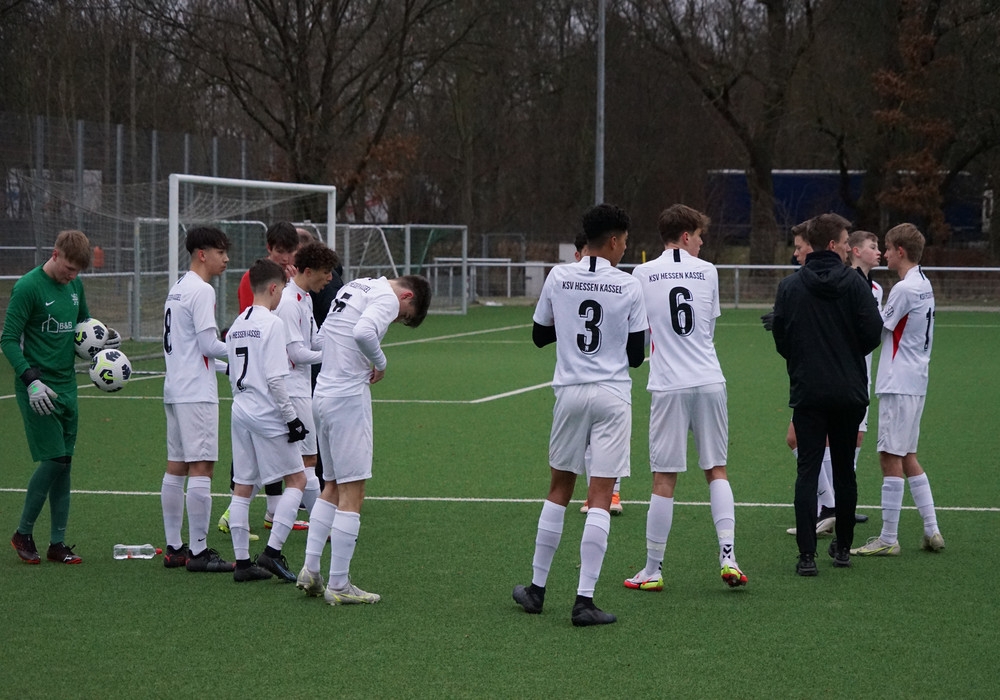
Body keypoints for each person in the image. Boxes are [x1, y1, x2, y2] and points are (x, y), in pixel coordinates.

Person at [511, 203, 647, 627]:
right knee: (601, 496)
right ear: (613, 241)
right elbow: (636, 356)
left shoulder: (558, 276)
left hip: (569, 393)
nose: (625, 249)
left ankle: (536, 590)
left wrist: (571, 328)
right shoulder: (628, 285)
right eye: (625, 242)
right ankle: (584, 601)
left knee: (559, 488)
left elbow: (539, 336)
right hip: (612, 395)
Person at [625, 204, 747, 591]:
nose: (701, 243)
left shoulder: (641, 273)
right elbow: (707, 329)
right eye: (698, 236)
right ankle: (728, 557)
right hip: (709, 379)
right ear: (684, 236)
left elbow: (641, 332)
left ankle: (653, 569)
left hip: (668, 384)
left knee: (664, 478)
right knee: (716, 469)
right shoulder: (708, 271)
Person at [296, 273, 431, 605]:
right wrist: (380, 362)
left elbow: (322, 338)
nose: (397, 320)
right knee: (353, 490)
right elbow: (363, 332)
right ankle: (339, 584)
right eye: (404, 317)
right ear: (407, 296)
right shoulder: (386, 297)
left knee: (331, 485)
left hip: (322, 394)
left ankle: (311, 570)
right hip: (346, 398)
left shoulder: (354, 286)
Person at [771, 213, 883, 575]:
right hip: (848, 391)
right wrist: (848, 353)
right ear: (833, 245)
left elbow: (781, 338)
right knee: (844, 473)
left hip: (809, 390)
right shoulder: (855, 285)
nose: (850, 246)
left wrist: (804, 359)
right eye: (847, 241)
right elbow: (873, 333)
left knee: (807, 471)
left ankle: (807, 556)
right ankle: (843, 549)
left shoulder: (790, 286)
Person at [4, 230, 121, 565]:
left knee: (65, 465)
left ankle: (57, 544)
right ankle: (23, 533)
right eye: (69, 268)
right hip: (39, 389)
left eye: (77, 271)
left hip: (68, 386)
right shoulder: (27, 287)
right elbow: (8, 339)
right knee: (54, 459)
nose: (72, 276)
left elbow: (84, 326)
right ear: (55, 255)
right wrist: (30, 380)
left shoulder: (75, 286)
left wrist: (104, 339)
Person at [852, 223, 945, 556]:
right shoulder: (924, 283)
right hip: (916, 379)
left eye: (888, 248)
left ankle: (888, 538)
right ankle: (932, 529)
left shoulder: (904, 289)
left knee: (890, 455)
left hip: (898, 381)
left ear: (900, 251)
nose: (885, 254)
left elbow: (877, 328)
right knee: (907, 456)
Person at [225, 258, 310, 582]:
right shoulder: (273, 324)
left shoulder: (236, 324)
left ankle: (242, 564)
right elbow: (276, 379)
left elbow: (232, 374)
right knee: (297, 480)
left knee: (243, 486)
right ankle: (272, 553)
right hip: (265, 413)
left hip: (240, 410)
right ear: (274, 288)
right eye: (283, 289)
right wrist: (291, 419)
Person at [161, 226, 235, 572]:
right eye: (221, 252)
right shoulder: (202, 290)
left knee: (176, 466)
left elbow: (192, 348)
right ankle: (200, 552)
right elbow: (208, 345)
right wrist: (247, 351)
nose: (226, 259)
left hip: (175, 388)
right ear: (202, 254)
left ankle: (175, 548)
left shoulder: (178, 287)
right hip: (195, 393)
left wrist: (228, 367)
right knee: (202, 467)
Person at [273, 242, 338, 517]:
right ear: (308, 271)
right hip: (292, 390)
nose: (330, 278)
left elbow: (314, 341)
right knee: (307, 461)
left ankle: (261, 514)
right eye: (326, 272)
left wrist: (339, 333)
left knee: (290, 464)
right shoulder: (289, 303)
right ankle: (321, 524)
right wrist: (333, 356)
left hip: (299, 389)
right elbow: (296, 353)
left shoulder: (304, 298)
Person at [572, 231, 624, 516]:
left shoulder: (618, 284)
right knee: (587, 440)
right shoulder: (569, 283)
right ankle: (596, 494)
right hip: (578, 377)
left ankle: (611, 493)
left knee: (606, 440)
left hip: (608, 378)